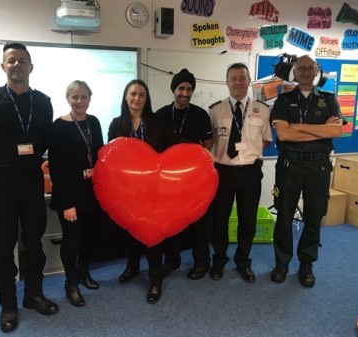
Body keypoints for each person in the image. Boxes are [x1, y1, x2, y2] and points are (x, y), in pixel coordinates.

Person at [0, 42, 58, 333]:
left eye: (22, 60)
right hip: (2, 183)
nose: (17, 64)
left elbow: (46, 139)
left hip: (32, 179)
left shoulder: (43, 102)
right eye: (11, 60)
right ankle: (9, 305)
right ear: (3, 66)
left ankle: (33, 295)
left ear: (31, 67)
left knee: (34, 241)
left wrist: (31, 158)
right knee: (3, 243)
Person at [270, 55, 343, 288]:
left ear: (316, 71)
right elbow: (283, 134)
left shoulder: (330, 100)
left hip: (318, 167)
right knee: (283, 216)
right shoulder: (283, 100)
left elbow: (336, 132)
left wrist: (298, 126)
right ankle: (281, 263)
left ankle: (306, 264)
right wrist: (320, 130)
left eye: (309, 68)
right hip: (289, 166)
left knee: (313, 217)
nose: (305, 71)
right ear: (294, 71)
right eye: (300, 68)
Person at [209, 62, 272, 283]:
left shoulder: (262, 109)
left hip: (249, 173)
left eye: (242, 78)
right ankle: (218, 261)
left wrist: (247, 156)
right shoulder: (215, 110)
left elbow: (264, 140)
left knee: (248, 221)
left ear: (248, 81)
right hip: (222, 173)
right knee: (219, 220)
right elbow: (211, 142)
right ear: (227, 82)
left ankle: (243, 262)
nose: (238, 82)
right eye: (233, 78)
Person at [108, 79, 170, 304]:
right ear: (126, 97)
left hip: (152, 188)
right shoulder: (117, 124)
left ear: (147, 99)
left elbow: (173, 144)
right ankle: (132, 267)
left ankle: (155, 280)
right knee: (130, 231)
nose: (137, 98)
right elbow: (110, 155)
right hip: (127, 189)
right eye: (133, 94)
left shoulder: (156, 123)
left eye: (141, 95)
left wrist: (201, 151)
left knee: (152, 234)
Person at [48, 80, 103, 307]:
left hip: (91, 191)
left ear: (90, 98)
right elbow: (56, 168)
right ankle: (70, 283)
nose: (80, 101)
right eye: (75, 97)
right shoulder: (59, 126)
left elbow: (100, 155)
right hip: (69, 193)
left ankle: (83, 273)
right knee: (72, 240)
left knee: (88, 238)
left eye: (84, 97)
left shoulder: (94, 122)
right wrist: (68, 203)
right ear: (68, 99)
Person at [155, 68, 214, 280]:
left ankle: (202, 262)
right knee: (171, 222)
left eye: (189, 89)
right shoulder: (160, 114)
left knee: (201, 223)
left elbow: (208, 146)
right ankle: (172, 260)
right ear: (174, 89)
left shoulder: (200, 115)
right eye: (181, 88)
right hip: (169, 180)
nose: (185, 93)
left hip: (195, 180)